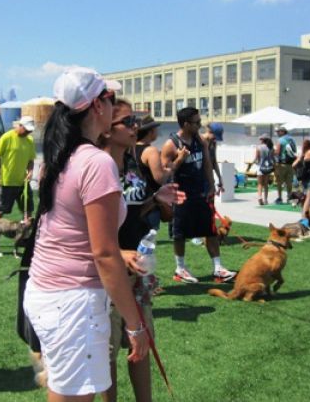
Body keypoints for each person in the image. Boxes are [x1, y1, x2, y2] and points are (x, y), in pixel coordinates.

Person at [22, 67, 148, 401]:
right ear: (96, 106)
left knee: (64, 389)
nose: (114, 105)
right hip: (71, 300)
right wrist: (135, 326)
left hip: (49, 291)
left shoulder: (61, 155)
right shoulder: (95, 162)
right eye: (110, 98)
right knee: (72, 393)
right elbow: (104, 253)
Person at [100, 99, 185, 402]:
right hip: (107, 271)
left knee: (142, 343)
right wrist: (116, 253)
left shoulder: (134, 162)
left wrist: (157, 200)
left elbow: (135, 210)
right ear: (107, 130)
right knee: (106, 351)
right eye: (127, 121)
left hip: (139, 266)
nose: (136, 126)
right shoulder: (97, 166)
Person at [161, 107, 236, 284]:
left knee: (210, 230)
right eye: (197, 123)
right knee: (180, 233)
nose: (200, 125)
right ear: (186, 124)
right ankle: (180, 269)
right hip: (180, 195)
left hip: (200, 193)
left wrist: (211, 186)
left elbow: (207, 164)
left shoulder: (199, 140)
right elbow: (163, 173)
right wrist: (179, 159)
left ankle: (218, 269)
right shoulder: (171, 144)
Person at [135, 115, 189, 229]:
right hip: (150, 205)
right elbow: (160, 178)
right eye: (155, 128)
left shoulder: (131, 148)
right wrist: (178, 161)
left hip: (135, 202)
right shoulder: (150, 151)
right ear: (150, 131)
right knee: (146, 243)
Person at [0, 116, 36, 223]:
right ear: (20, 125)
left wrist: (30, 171)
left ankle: (25, 237)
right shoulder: (7, 137)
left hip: (23, 183)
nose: (28, 132)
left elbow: (31, 160)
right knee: (0, 211)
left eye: (30, 130)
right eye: (26, 129)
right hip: (7, 182)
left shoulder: (30, 140)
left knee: (28, 211)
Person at [293, 137, 310, 218]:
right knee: (309, 198)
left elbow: (293, 165)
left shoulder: (304, 152)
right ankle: (304, 216)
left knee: (306, 197)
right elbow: (307, 159)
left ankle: (304, 213)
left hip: (304, 177)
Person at [272, 126, 297, 204]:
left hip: (282, 164)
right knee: (289, 182)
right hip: (291, 164)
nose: (277, 133)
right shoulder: (292, 139)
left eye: (278, 132)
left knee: (279, 182)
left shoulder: (280, 140)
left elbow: (277, 152)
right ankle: (289, 197)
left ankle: (279, 198)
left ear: (283, 132)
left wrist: (272, 152)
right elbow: (295, 150)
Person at [203, 122, 225, 193]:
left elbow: (214, 161)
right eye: (215, 137)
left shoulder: (213, 143)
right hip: (199, 178)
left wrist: (219, 177)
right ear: (209, 132)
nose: (215, 139)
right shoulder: (200, 141)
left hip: (209, 178)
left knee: (210, 202)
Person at [254, 135, 274, 206]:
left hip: (260, 166)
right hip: (267, 167)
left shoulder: (258, 147)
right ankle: (265, 199)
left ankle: (260, 197)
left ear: (262, 140)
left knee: (259, 183)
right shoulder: (270, 148)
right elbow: (272, 158)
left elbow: (256, 158)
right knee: (266, 184)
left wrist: (255, 162)